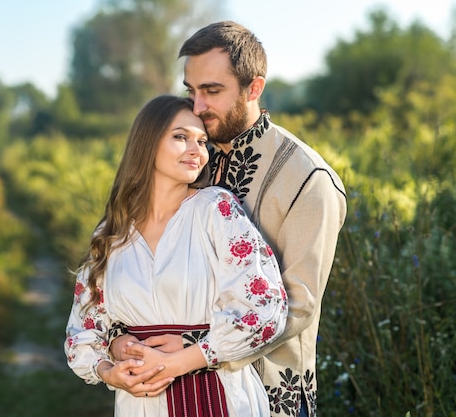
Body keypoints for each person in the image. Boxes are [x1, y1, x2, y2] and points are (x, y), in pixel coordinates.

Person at [110, 22, 347, 417]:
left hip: (271, 394)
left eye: (212, 91)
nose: (198, 106)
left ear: (253, 89)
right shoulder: (190, 157)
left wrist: (194, 348)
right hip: (166, 392)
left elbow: (297, 306)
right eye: (192, 90)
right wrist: (124, 342)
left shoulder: (309, 181)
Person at [64, 94, 288, 417]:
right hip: (142, 403)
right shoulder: (112, 232)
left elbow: (266, 309)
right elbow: (82, 333)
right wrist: (107, 369)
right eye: (181, 137)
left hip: (219, 398)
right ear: (148, 142)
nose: (197, 151)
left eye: (202, 140)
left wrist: (181, 360)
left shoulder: (216, 210)